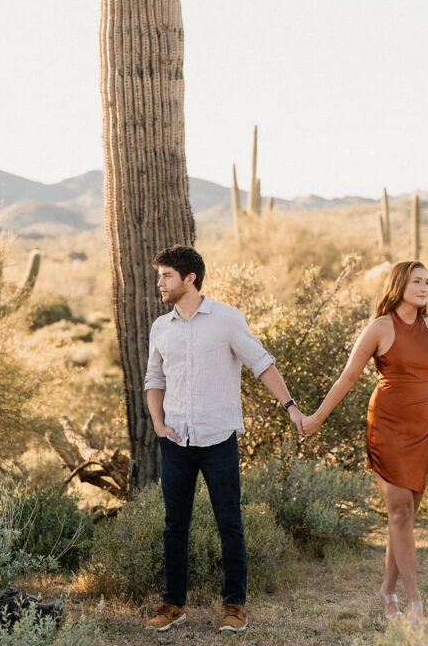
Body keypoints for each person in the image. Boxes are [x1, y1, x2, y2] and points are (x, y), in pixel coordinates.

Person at [144, 245, 305, 634]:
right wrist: (158, 424)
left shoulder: (226, 319)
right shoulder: (160, 327)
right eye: (160, 276)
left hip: (218, 441)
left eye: (166, 275)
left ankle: (234, 607)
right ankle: (173, 605)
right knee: (173, 526)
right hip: (176, 443)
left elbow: (262, 363)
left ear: (189, 279)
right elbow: (154, 379)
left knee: (229, 524)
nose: (160, 283)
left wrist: (292, 408)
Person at [301, 260, 428, 623]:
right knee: (399, 512)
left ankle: (386, 592)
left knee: (405, 518)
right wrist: (317, 418)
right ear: (399, 284)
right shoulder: (380, 328)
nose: (424, 287)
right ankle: (414, 602)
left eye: (427, 282)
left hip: (426, 428)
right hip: (387, 428)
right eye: (417, 281)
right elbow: (348, 377)